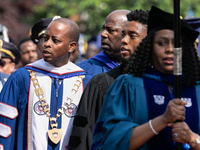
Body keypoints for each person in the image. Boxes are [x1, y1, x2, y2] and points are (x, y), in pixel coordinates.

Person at [92, 6, 200, 150]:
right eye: (161, 43)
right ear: (149, 47)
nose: (169, 49)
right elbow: (111, 143)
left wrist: (193, 139)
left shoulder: (196, 90)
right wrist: (162, 120)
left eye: (177, 44)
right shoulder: (128, 86)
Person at [0, 18, 91, 150]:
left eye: (55, 40)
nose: (47, 44)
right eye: (46, 38)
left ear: (71, 46)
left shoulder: (85, 82)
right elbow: (4, 127)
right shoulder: (21, 78)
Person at [68, 9, 149, 150]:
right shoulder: (96, 80)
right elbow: (83, 135)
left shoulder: (164, 82)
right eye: (124, 34)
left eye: (111, 30)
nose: (103, 34)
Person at [77, 10, 130, 77]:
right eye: (103, 29)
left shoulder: (143, 70)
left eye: (111, 30)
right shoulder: (82, 71)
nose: (103, 34)